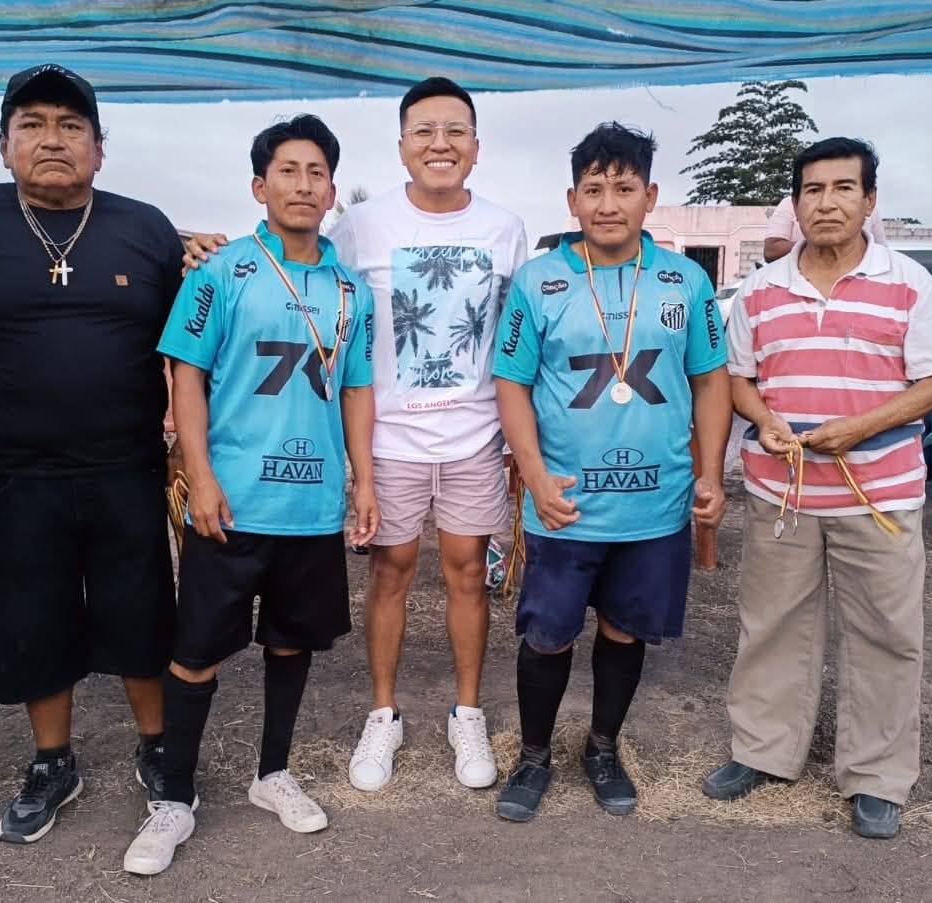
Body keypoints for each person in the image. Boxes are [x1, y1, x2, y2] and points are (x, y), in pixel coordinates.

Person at [183, 77, 527, 793]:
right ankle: (383, 714)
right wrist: (202, 250)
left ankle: (467, 713)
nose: (439, 144)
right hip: (390, 438)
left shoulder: (506, 228)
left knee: (468, 572)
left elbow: (513, 337)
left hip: (473, 435)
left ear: (476, 145)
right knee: (391, 570)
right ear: (401, 146)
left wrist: (520, 444)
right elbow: (293, 263)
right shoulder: (362, 225)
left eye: (455, 130)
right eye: (424, 131)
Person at [0, 64, 185, 858]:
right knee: (32, 614)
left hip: (128, 463)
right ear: (4, 145)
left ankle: (159, 744)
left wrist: (184, 444)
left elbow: (185, 345)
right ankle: (52, 760)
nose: (52, 139)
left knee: (141, 607)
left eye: (71, 125)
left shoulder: (146, 228)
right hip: (14, 469)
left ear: (99, 146)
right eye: (31, 124)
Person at [704, 137, 932, 840]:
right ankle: (764, 750)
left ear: (869, 201)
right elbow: (738, 377)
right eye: (812, 190)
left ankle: (877, 775)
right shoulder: (761, 289)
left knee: (885, 632)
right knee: (772, 624)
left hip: (878, 492)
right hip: (781, 491)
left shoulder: (909, 284)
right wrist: (764, 419)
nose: (827, 203)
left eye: (844, 188)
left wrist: (861, 427)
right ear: (795, 204)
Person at [144, 114, 378, 875]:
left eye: (317, 173)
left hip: (310, 508)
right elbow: (186, 373)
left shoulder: (351, 291)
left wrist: (363, 479)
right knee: (195, 653)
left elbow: (357, 388)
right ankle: (173, 797)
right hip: (232, 504)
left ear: (332, 191)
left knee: (291, 641)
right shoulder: (221, 272)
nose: (303, 185)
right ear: (259, 186)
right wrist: (201, 476)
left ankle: (272, 773)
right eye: (288, 171)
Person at [491, 122, 731, 822]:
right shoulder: (539, 281)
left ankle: (602, 748)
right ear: (572, 199)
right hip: (564, 503)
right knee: (548, 634)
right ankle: (533, 756)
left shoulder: (685, 281)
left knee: (625, 630)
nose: (607, 203)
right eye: (593, 188)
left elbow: (711, 380)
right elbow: (511, 383)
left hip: (655, 505)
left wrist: (711, 473)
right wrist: (535, 476)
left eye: (623, 188)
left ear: (649, 197)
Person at [762, 192, 887, 263]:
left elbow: (882, 254)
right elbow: (771, 251)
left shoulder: (868, 208)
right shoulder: (790, 203)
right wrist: (817, 244)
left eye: (844, 186)